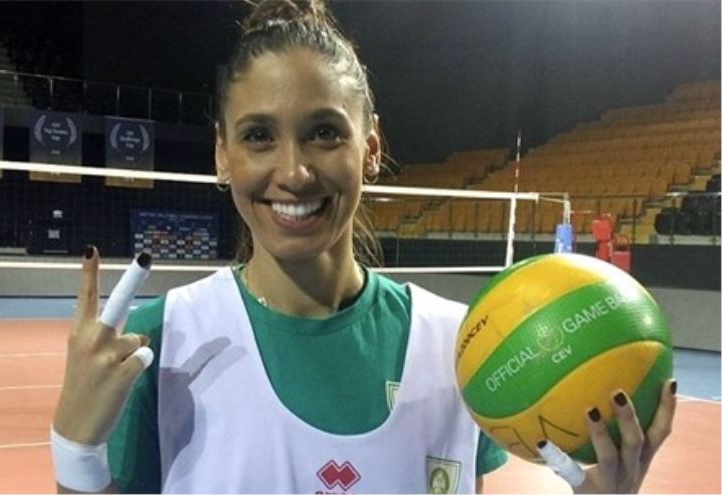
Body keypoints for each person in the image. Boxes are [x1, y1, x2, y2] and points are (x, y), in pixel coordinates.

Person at [51, 1, 678, 493]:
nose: (293, 172)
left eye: (324, 133)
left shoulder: (464, 349)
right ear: (222, 154)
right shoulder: (160, 342)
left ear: (370, 148)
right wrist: (75, 449)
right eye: (259, 136)